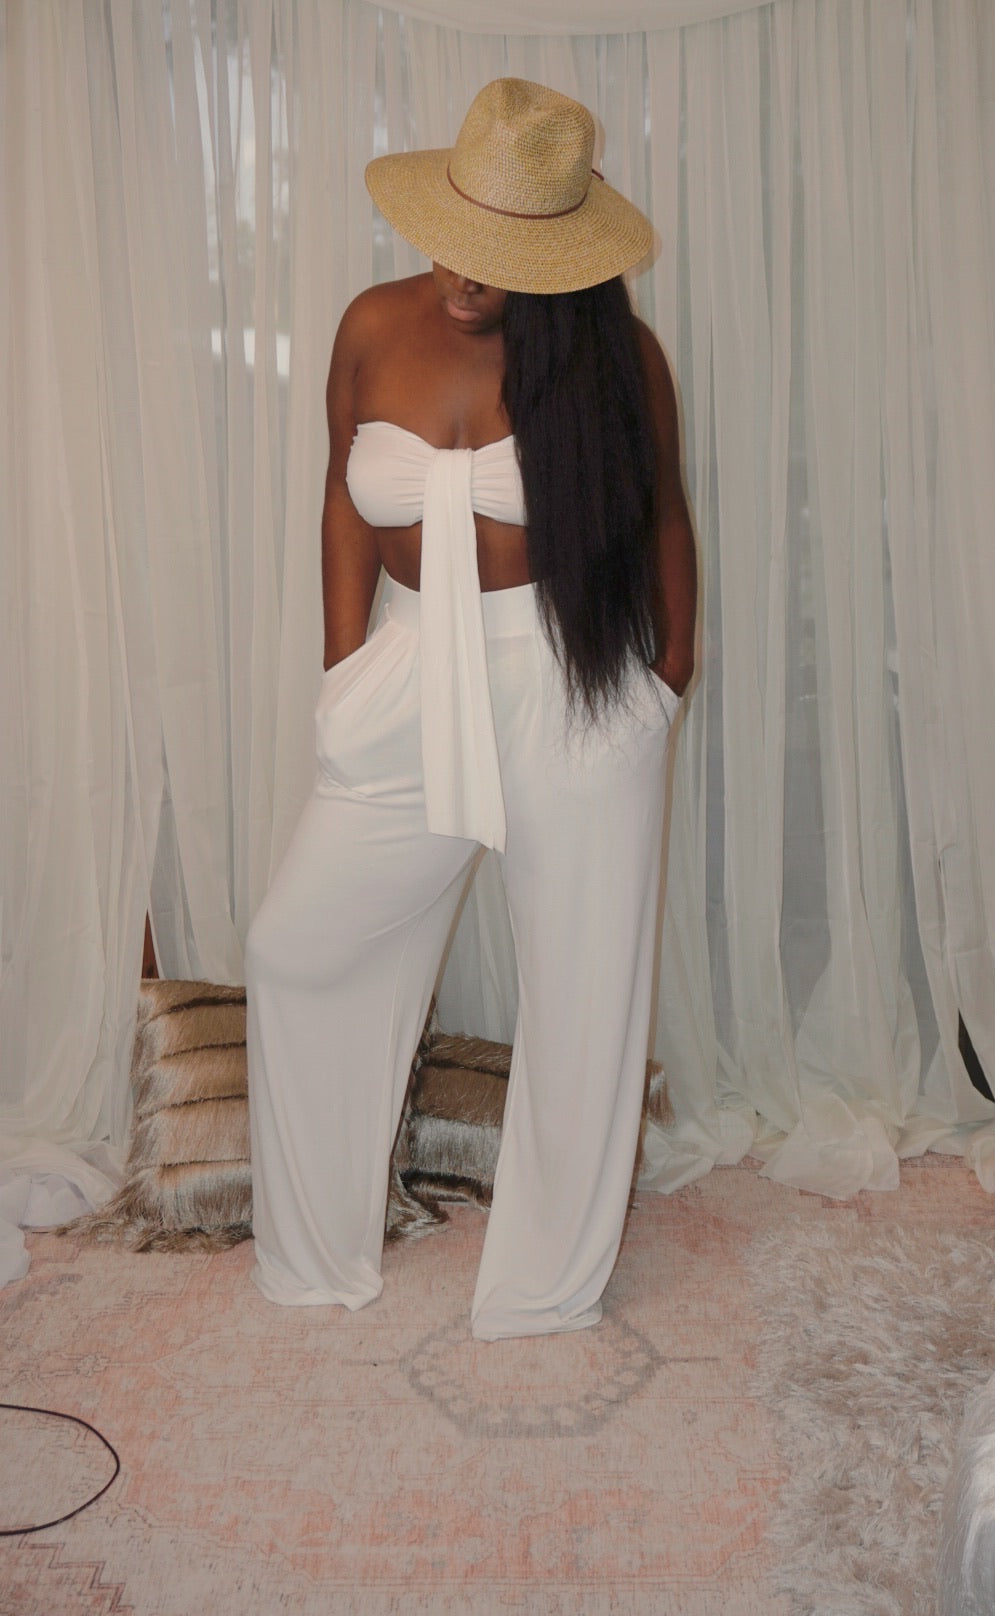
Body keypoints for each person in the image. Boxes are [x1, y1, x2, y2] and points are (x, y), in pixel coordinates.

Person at [244, 77, 696, 1341]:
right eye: (452, 239)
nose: (457, 275)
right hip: (405, 673)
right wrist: (344, 669)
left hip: (567, 678)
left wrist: (668, 678)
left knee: (584, 990)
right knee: (297, 944)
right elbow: (342, 496)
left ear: (556, 261)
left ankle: (545, 1284)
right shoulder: (372, 325)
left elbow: (665, 513)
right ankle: (313, 1251)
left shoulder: (616, 364)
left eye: (492, 261)